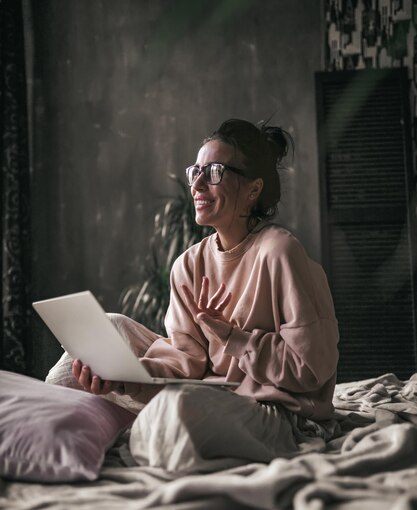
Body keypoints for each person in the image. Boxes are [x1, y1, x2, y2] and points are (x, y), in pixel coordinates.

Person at [46, 118, 339, 472]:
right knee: (81, 359)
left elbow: (311, 370)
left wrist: (234, 338)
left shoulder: (279, 252)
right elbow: (188, 361)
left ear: (253, 189)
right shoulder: (188, 264)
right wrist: (127, 376)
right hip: (207, 389)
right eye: (195, 171)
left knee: (177, 408)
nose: (198, 184)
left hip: (271, 409)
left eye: (214, 171)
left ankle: (143, 423)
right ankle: (114, 420)